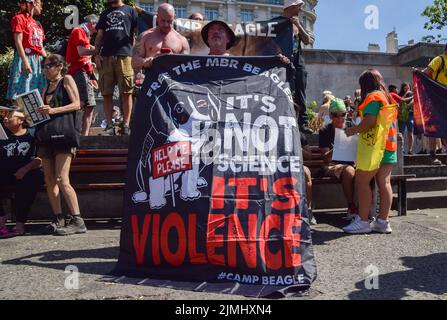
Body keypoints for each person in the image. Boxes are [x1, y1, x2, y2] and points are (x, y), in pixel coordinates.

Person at [36, 54, 86, 236]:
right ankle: (58, 217)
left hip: (64, 135)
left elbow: (77, 104)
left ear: (59, 66)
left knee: (61, 178)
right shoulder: (45, 88)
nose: (46, 69)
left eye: (49, 65)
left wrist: (53, 110)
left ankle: (78, 219)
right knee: (49, 179)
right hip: (48, 136)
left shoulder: (67, 79)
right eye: (44, 66)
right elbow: (43, 113)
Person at [344, 69, 398, 234]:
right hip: (389, 146)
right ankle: (383, 221)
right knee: (385, 183)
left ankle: (363, 221)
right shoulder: (387, 96)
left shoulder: (373, 97)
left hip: (375, 147)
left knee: (361, 181)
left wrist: (352, 130)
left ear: (365, 84)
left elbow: (369, 121)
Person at [94, 0, 138, 136]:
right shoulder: (105, 13)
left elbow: (137, 33)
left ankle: (126, 126)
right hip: (106, 57)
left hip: (125, 56)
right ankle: (109, 126)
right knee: (106, 93)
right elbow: (99, 35)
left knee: (126, 92)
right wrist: (96, 55)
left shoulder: (131, 11)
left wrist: (134, 53)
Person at [0, 110, 44, 238]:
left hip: (27, 172)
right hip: (5, 172)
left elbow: (40, 159)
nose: (6, 119)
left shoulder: (32, 135)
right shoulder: (2, 136)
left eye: (10, 116)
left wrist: (25, 169)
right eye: (4, 117)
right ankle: (1, 218)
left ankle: (20, 223)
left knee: (31, 180)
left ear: (21, 120)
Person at [319, 98, 358, 219]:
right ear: (331, 116)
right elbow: (325, 159)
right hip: (332, 164)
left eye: (343, 114)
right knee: (349, 171)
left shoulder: (351, 127)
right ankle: (352, 206)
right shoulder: (325, 130)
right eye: (336, 115)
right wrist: (338, 146)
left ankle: (367, 208)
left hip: (352, 162)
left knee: (366, 172)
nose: (341, 118)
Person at [282, 0, 314, 134]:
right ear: (292, 6)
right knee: (284, 92)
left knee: (300, 92)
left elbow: (307, 40)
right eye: (299, 7)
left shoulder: (297, 23)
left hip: (298, 63)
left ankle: (303, 123)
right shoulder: (279, 23)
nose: (301, 9)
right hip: (283, 63)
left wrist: (298, 25)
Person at [6, 0, 46, 102]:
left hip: (38, 61)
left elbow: (40, 46)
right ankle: (15, 117)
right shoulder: (19, 18)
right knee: (22, 97)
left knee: (37, 98)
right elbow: (18, 42)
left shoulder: (37, 24)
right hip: (26, 58)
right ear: (33, 3)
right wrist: (25, 61)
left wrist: (48, 60)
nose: (41, 7)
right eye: (40, 4)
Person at [66, 14, 99, 137]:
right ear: (91, 23)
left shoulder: (83, 32)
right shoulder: (79, 31)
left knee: (87, 105)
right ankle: (82, 137)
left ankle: (82, 135)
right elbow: (82, 52)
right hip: (79, 71)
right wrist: (98, 51)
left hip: (82, 71)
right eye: (97, 24)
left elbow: (86, 47)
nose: (98, 28)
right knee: (86, 104)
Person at [132, 3, 190, 71]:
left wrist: (173, 59)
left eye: (169, 21)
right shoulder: (145, 36)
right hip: (151, 78)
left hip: (173, 79)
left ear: (174, 17)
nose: (165, 24)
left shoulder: (182, 40)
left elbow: (187, 66)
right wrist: (145, 61)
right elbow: (134, 62)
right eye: (162, 21)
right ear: (157, 17)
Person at [423, 44, 447, 165]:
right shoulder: (439, 59)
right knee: (434, 126)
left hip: (445, 99)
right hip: (437, 98)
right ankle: (432, 155)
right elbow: (425, 73)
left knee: (445, 127)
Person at [397, 83, 415, 154]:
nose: (407, 90)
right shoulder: (400, 94)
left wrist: (411, 98)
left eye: (408, 88)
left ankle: (410, 150)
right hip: (401, 116)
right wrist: (406, 93)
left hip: (410, 115)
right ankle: (402, 149)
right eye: (405, 88)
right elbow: (400, 101)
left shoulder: (413, 95)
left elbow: (412, 103)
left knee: (410, 133)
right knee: (401, 133)